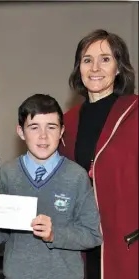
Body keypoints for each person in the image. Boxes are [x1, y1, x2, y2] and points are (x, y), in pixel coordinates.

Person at [0, 94, 102, 279]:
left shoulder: (76, 176)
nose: (43, 136)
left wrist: (54, 234)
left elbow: (92, 235)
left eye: (52, 127)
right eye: (34, 127)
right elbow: (1, 230)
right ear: (20, 131)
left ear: (62, 131)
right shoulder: (7, 174)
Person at [59, 29, 138, 279]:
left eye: (105, 59)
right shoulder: (65, 123)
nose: (95, 67)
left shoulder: (136, 113)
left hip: (125, 243)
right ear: (78, 69)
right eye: (87, 59)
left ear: (118, 68)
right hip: (80, 245)